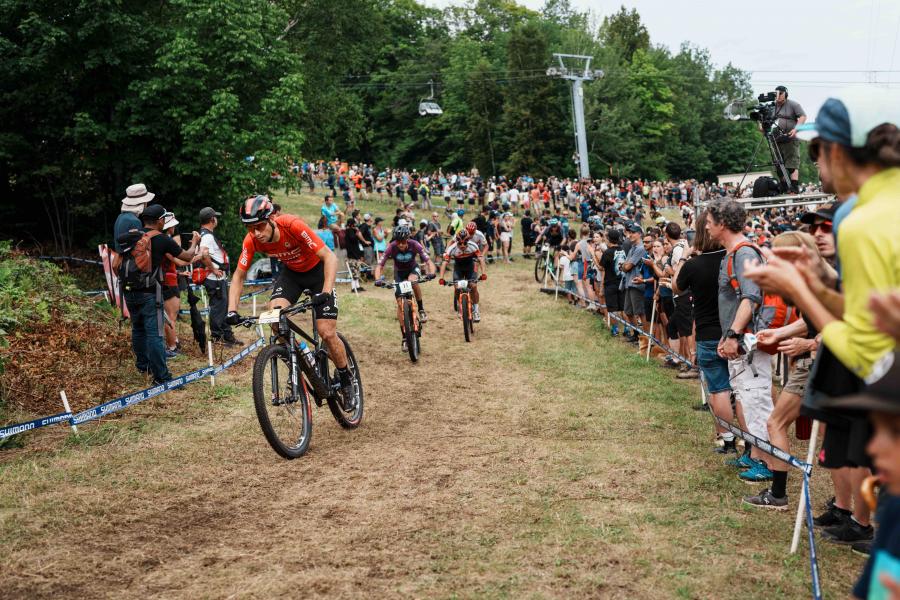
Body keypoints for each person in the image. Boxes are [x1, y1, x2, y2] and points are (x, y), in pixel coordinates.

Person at [225, 195, 358, 409]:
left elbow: (329, 257)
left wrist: (325, 292)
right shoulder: (252, 240)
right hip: (292, 275)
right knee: (275, 317)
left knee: (326, 331)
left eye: (259, 226)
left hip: (318, 273)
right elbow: (239, 276)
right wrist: (231, 310)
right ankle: (300, 358)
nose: (256, 232)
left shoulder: (292, 225)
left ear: (272, 219)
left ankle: (346, 378)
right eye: (250, 228)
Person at [706, 198, 775, 484]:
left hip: (748, 342)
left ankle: (769, 462)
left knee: (756, 399)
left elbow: (751, 298)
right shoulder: (733, 252)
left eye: (709, 221)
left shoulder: (744, 253)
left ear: (722, 223)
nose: (706, 226)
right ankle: (755, 452)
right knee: (745, 397)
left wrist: (733, 335)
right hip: (738, 339)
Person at [121, 204, 201, 385]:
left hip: (129, 291)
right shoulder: (162, 239)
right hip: (150, 293)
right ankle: (162, 377)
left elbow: (117, 262)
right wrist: (195, 242)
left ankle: (143, 366)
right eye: (164, 219)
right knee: (155, 334)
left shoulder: (133, 236)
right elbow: (187, 257)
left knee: (138, 329)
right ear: (159, 221)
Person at [674, 209, 732, 449]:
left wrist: (684, 257)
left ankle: (726, 437)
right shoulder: (731, 257)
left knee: (719, 389)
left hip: (708, 333)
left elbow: (677, 287)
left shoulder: (693, 264)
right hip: (733, 330)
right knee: (738, 388)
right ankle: (749, 441)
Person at [374, 224, 437, 350]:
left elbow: (429, 261)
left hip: (413, 269)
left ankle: (421, 309)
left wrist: (431, 272)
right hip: (399, 273)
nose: (401, 245)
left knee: (412, 281)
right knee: (399, 303)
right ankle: (404, 336)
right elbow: (380, 265)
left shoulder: (415, 244)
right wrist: (377, 279)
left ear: (407, 239)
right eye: (398, 242)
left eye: (403, 242)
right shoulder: (391, 247)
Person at [197, 206, 240, 347]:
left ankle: (227, 335)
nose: (217, 220)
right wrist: (213, 270)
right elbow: (204, 254)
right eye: (215, 217)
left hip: (218, 279)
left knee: (223, 307)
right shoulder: (207, 236)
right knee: (217, 308)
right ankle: (217, 338)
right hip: (214, 279)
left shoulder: (205, 234)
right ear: (212, 219)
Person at [439, 230, 488, 322]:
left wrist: (483, 273)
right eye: (460, 243)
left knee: (473, 286)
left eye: (465, 243)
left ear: (468, 241)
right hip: (459, 269)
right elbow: (444, 263)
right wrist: (441, 278)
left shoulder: (473, 246)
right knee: (457, 287)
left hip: (470, 268)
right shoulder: (452, 248)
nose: (462, 246)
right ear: (457, 241)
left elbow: (481, 259)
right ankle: (460, 304)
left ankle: (476, 310)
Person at [773, 85, 807, 194]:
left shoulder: (793, 104)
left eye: (780, 93)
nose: (778, 96)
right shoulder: (772, 106)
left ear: (785, 94)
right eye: (776, 94)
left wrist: (796, 129)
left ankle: (794, 186)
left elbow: (803, 116)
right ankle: (783, 185)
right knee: (778, 163)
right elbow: (763, 118)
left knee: (792, 163)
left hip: (790, 138)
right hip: (776, 139)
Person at [620, 223, 647, 344]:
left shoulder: (641, 248)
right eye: (629, 232)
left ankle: (646, 339)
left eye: (633, 232)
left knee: (640, 312)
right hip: (629, 282)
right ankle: (637, 334)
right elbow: (624, 266)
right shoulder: (632, 248)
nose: (630, 235)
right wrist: (624, 266)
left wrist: (624, 266)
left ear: (639, 234)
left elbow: (627, 266)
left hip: (636, 284)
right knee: (628, 311)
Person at [599, 229, 626, 336]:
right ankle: (627, 329)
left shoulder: (607, 252)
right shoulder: (623, 250)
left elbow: (601, 268)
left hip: (610, 283)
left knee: (613, 308)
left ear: (609, 239)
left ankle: (615, 329)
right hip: (622, 282)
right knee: (623, 308)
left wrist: (593, 255)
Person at [114, 184, 153, 252]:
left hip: (120, 259)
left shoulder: (120, 216)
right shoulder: (134, 221)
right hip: (130, 261)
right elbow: (137, 249)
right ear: (142, 203)